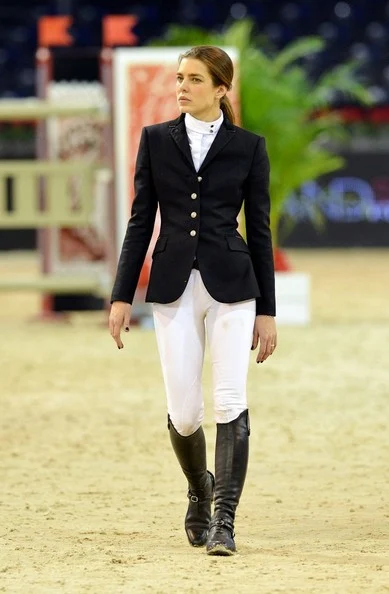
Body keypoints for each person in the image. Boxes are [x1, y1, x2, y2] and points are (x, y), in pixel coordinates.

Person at [109, 45, 277, 556]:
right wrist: (121, 295)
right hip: (172, 287)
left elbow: (261, 230)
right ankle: (200, 488)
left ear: (221, 89)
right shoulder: (157, 140)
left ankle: (225, 520)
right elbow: (141, 222)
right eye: (179, 78)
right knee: (184, 414)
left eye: (194, 79)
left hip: (233, 286)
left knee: (230, 401)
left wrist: (267, 310)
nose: (181, 86)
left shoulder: (250, 146)